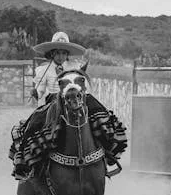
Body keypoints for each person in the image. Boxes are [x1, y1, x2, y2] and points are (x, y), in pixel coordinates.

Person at [10, 31, 127, 180]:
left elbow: (80, 84)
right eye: (57, 53)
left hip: (75, 98)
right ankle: (26, 164)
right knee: (33, 123)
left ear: (67, 54)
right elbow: (41, 91)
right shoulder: (43, 70)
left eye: (63, 53)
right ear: (52, 54)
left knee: (100, 114)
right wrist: (36, 93)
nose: (60, 56)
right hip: (53, 101)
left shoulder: (74, 66)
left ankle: (109, 151)